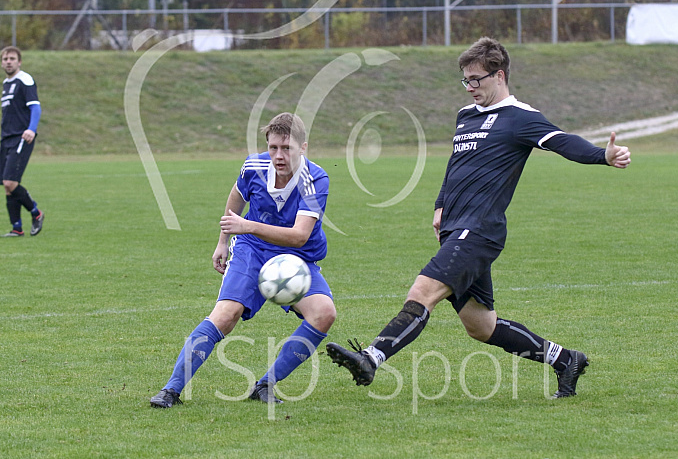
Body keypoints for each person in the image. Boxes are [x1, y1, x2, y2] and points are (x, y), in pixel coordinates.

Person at [326, 37, 631, 399]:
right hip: (456, 227)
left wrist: (602, 156)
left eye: (476, 79)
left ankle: (371, 358)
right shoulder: (466, 116)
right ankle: (566, 360)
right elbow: (456, 166)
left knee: (422, 292)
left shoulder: (521, 118)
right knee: (480, 326)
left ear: (498, 75)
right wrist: (441, 206)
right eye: (465, 80)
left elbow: (563, 141)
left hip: (480, 231)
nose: (470, 87)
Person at [150, 113, 336, 407]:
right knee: (226, 316)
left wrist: (248, 225)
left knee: (324, 313)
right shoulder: (254, 166)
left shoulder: (315, 179)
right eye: (273, 147)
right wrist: (223, 241)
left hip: (296, 256)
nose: (278, 156)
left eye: (286, 149)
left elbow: (300, 236)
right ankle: (170, 390)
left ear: (303, 147)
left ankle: (265, 385)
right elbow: (236, 196)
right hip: (252, 249)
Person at [1, 46, 44, 237]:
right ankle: (16, 228)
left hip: (21, 137)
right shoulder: (6, 83)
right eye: (5, 59)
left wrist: (31, 129)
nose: (8, 62)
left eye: (12, 58)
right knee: (8, 185)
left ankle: (36, 212)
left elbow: (35, 107)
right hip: (6, 138)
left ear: (19, 62)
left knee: (10, 182)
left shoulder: (24, 79)